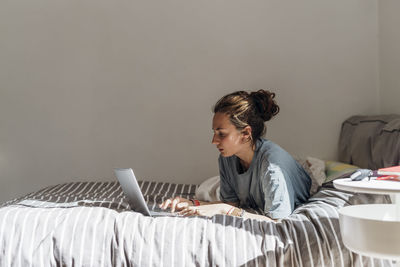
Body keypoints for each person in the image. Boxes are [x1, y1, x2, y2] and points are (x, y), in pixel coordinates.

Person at [159, 90, 311, 220]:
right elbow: (233, 204)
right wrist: (191, 204)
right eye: (214, 132)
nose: (214, 141)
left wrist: (224, 210)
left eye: (221, 134)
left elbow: (278, 223)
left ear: (245, 133)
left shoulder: (272, 167)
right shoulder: (228, 159)